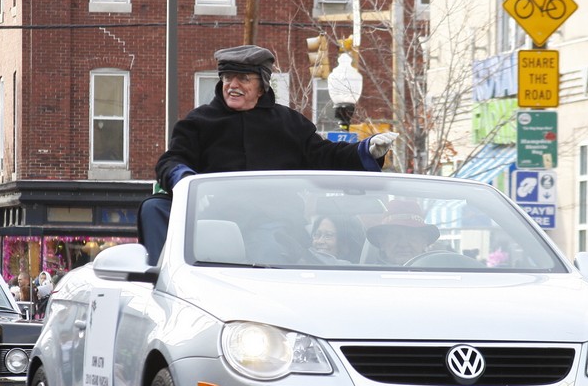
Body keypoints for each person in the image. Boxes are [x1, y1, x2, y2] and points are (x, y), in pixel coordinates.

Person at [141, 45, 398, 263]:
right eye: (228, 77)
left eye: (243, 79)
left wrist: (367, 150)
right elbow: (172, 161)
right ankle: (163, 280)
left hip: (273, 225)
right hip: (210, 221)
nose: (233, 85)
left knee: (268, 252)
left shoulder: (289, 124)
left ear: (262, 86)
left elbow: (327, 156)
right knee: (154, 208)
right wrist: (186, 180)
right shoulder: (199, 122)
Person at [365, 200, 440, 265]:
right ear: (382, 242)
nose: (403, 244)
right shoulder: (367, 279)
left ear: (424, 242)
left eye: (411, 235)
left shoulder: (441, 276)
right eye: (394, 236)